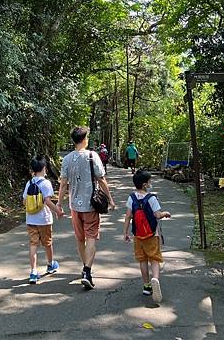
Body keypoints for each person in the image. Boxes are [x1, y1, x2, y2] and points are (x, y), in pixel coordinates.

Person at [58, 126, 115, 290]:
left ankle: (85, 268)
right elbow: (101, 179)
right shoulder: (92, 156)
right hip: (91, 206)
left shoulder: (67, 159)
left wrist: (59, 204)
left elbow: (63, 184)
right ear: (84, 139)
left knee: (80, 239)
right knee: (91, 238)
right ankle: (87, 271)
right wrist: (110, 199)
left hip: (74, 207)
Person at [123, 170, 171, 302]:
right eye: (150, 182)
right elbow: (157, 215)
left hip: (138, 235)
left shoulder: (131, 198)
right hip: (152, 234)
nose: (151, 184)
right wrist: (165, 213)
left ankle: (146, 285)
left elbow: (128, 217)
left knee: (142, 260)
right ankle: (155, 278)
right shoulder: (151, 198)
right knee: (154, 258)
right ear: (145, 184)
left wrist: (125, 233)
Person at [23, 156, 64, 284]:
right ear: (44, 168)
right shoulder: (46, 183)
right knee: (47, 243)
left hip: (31, 219)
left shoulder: (29, 183)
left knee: (33, 244)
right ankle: (51, 264)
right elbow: (47, 201)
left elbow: (24, 201)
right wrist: (58, 211)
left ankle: (33, 272)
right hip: (44, 220)